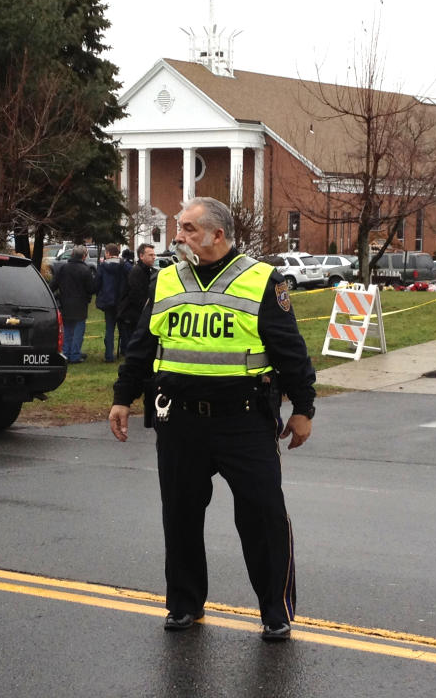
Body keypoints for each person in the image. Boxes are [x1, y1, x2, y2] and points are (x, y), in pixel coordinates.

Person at [108, 197, 315, 642]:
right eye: (178, 228)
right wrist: (123, 396)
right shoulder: (165, 280)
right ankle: (184, 605)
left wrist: (303, 408)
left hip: (244, 422)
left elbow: (290, 351)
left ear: (217, 235)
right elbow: (142, 346)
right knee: (180, 516)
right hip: (180, 422)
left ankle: (274, 612)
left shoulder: (261, 280)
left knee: (262, 518)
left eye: (186, 228)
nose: (177, 236)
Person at [49, 244, 93, 364]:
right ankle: (75, 354)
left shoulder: (63, 268)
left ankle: (66, 353)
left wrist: (49, 294)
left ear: (72, 254)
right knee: (78, 331)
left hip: (65, 303)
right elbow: (90, 288)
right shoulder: (85, 270)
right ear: (84, 256)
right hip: (80, 305)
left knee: (67, 331)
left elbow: (53, 284)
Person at [116, 243, 156, 356]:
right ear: (141, 256)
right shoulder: (137, 271)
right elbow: (136, 295)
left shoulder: (149, 271)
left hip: (138, 314)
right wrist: (146, 309)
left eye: (154, 254)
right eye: (150, 255)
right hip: (131, 315)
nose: (154, 257)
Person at [93, 243, 128, 362]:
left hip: (108, 302)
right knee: (123, 328)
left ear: (108, 253)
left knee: (109, 329)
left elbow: (97, 283)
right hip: (122, 302)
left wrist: (98, 295)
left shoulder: (102, 266)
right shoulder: (125, 265)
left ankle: (109, 355)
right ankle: (125, 352)